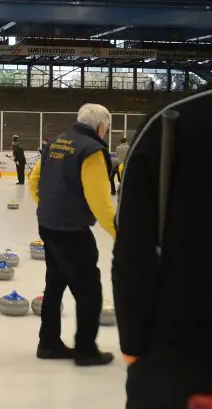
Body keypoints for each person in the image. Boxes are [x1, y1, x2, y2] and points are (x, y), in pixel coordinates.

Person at [113, 88, 212, 409]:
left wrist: (134, 346)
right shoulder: (168, 125)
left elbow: (133, 253)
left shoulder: (176, 120)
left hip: (180, 357)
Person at [27, 103, 116, 366]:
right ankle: (86, 350)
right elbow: (100, 202)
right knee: (89, 291)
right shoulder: (92, 151)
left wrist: (50, 208)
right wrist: (119, 234)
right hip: (73, 232)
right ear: (100, 127)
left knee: (54, 286)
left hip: (48, 226)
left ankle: (49, 342)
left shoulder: (55, 143)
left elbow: (34, 182)